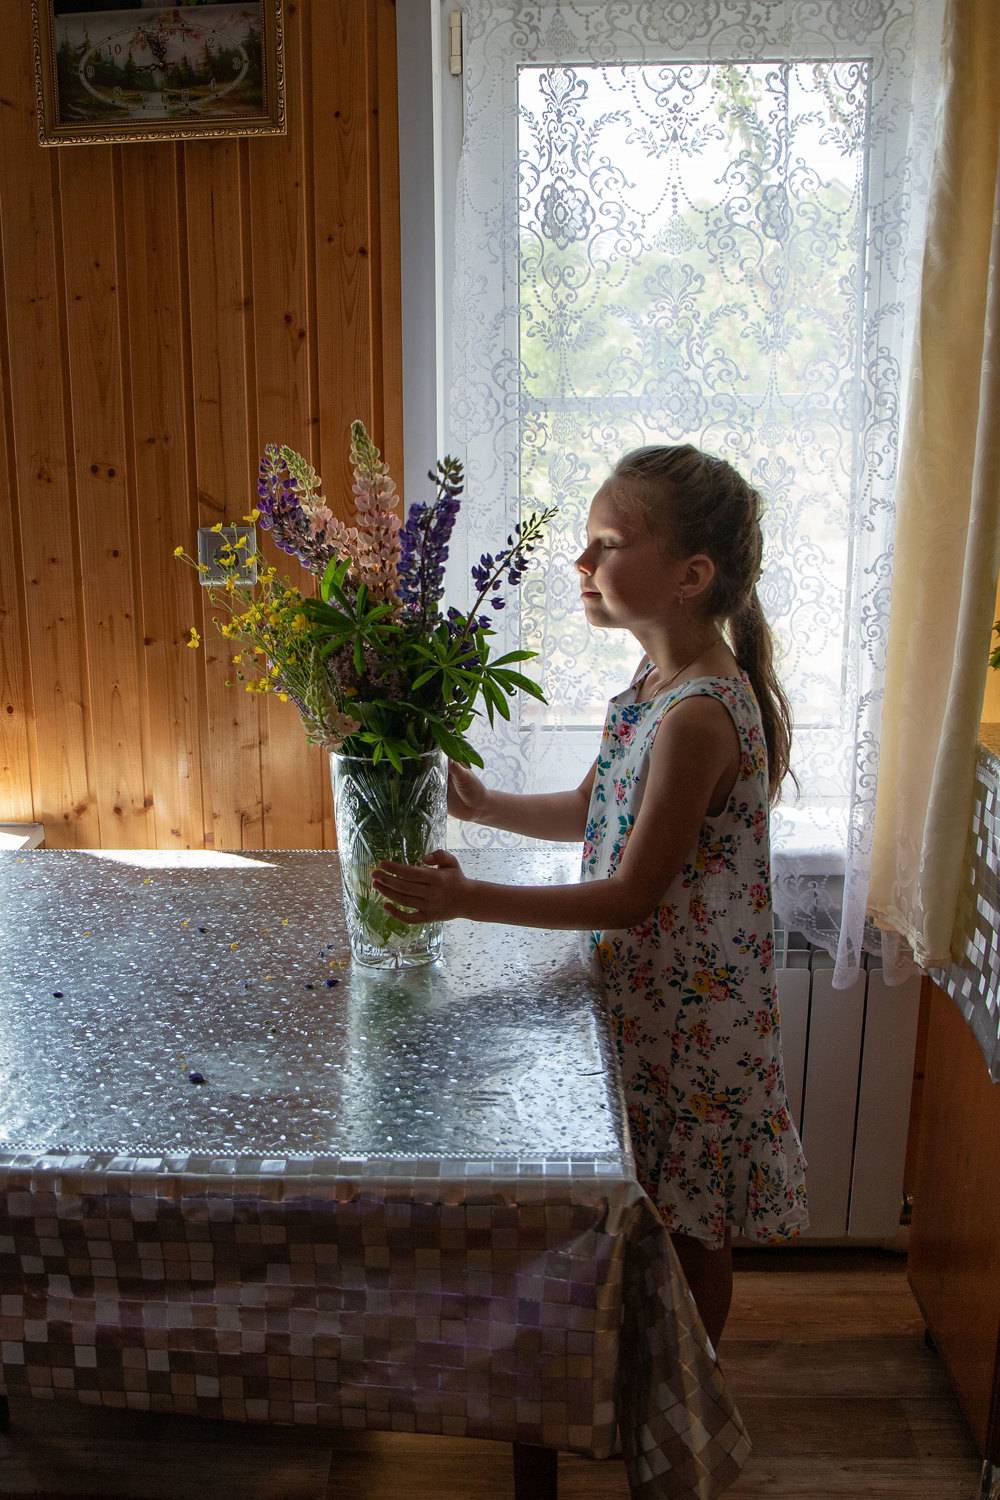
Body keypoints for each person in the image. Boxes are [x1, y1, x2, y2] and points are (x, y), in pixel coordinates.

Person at [373, 444, 809, 1349]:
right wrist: (485, 804)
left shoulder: (700, 715)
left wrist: (467, 898)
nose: (582, 562)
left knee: (695, 1227)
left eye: (607, 543)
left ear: (691, 576)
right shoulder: (651, 687)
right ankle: (650, 1374)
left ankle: (692, 1394)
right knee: (659, 1205)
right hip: (645, 1003)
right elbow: (592, 808)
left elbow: (630, 895)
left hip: (694, 1023)